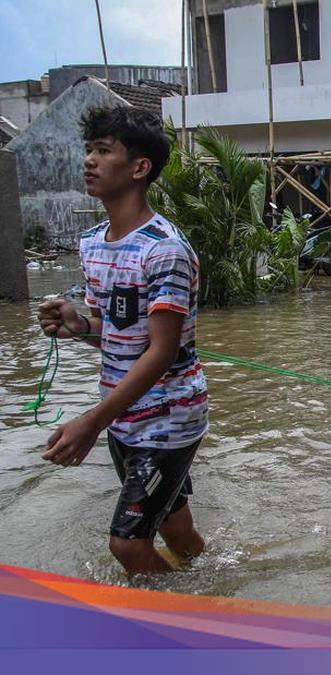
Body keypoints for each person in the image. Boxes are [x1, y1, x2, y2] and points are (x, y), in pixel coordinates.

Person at [36, 105, 207, 576]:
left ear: (139, 167)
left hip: (168, 419)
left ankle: (188, 624)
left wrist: (89, 423)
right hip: (124, 416)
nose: (89, 160)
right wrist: (77, 326)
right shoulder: (93, 243)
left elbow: (162, 351)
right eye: (88, 150)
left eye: (103, 151)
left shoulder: (164, 249)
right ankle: (221, 587)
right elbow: (118, 336)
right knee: (176, 532)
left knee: (127, 547)